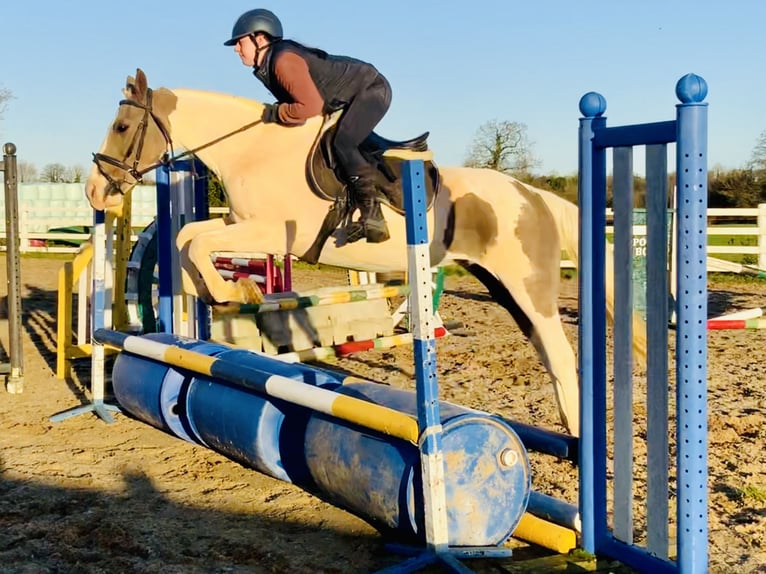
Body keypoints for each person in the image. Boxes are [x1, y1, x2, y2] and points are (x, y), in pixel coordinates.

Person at [224, 8, 392, 243]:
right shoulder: (268, 65)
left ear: (259, 38)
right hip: (345, 98)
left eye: (240, 42)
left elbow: (310, 107)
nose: (236, 49)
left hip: (371, 90)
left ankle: (373, 216)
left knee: (342, 142)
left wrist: (276, 112)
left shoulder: (283, 61)